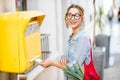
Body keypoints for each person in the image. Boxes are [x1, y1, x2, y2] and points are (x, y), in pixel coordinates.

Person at [40, 4, 99, 80]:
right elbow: (68, 57)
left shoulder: (82, 38)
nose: (72, 18)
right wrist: (64, 58)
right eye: (70, 15)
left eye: (76, 15)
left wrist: (52, 63)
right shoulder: (71, 37)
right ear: (66, 18)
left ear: (82, 18)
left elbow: (74, 68)